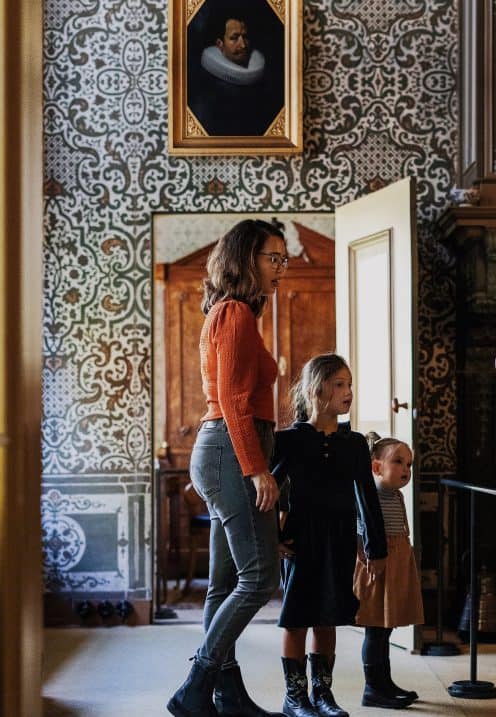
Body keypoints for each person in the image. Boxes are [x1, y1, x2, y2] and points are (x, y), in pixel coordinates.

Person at [167, 219, 289, 717]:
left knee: (223, 584)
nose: (280, 267)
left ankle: (227, 694)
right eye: (272, 258)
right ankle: (195, 686)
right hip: (231, 451)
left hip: (224, 450)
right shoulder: (234, 313)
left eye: (283, 259)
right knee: (259, 578)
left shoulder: (232, 313)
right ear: (245, 259)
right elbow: (235, 402)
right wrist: (258, 469)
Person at [271, 354, 388, 717]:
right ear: (315, 389)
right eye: (339, 384)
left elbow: (367, 496)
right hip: (300, 539)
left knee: (328, 615)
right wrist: (271, 538)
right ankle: (295, 698)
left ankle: (323, 694)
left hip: (339, 539)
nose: (348, 391)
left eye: (349, 384)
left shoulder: (354, 443)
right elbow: (268, 491)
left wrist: (376, 547)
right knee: (296, 617)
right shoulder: (289, 440)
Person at [353, 437, 425, 709]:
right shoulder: (369, 495)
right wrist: (367, 556)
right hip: (377, 565)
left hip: (396, 563)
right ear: (376, 467)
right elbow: (360, 529)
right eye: (398, 462)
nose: (406, 469)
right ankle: (373, 687)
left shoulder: (396, 495)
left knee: (386, 628)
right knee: (375, 628)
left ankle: (385, 682)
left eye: (409, 464)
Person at [187, 9, 283, 136]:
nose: (243, 45)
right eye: (234, 38)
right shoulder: (206, 95)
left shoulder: (266, 85)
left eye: (245, 37)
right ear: (220, 44)